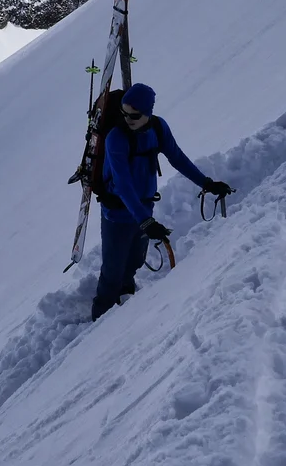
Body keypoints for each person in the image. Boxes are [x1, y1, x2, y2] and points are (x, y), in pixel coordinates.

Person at [92, 83, 231, 320]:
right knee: (112, 273)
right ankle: (99, 321)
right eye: (124, 113)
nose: (127, 119)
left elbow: (177, 158)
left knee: (134, 262)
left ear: (148, 113)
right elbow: (123, 185)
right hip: (117, 213)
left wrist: (206, 183)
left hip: (144, 209)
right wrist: (145, 221)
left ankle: (123, 313)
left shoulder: (158, 128)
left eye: (134, 115)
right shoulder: (116, 138)